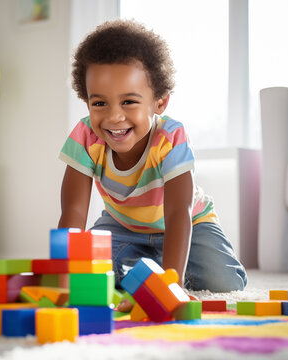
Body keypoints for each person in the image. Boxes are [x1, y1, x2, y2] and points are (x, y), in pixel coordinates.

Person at [58, 19, 247, 300]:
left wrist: (171, 287)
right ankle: (147, 268)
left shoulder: (171, 138)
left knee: (225, 281)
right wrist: (64, 283)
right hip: (122, 225)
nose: (113, 117)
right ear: (86, 101)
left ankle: (160, 269)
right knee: (89, 273)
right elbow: (73, 214)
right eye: (99, 103)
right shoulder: (85, 138)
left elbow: (177, 213)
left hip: (189, 223)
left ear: (159, 102)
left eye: (129, 102)